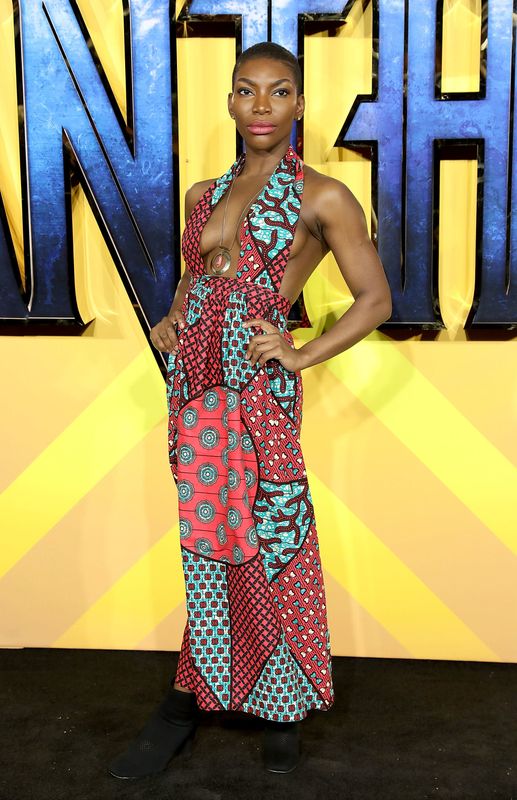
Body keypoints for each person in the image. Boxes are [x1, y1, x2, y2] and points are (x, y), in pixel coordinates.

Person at [108, 41, 391, 780]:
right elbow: (190, 286)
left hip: (256, 391)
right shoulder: (202, 193)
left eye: (278, 91)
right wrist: (170, 322)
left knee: (274, 538)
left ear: (299, 104)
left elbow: (375, 299)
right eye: (245, 90)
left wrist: (298, 353)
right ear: (229, 102)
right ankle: (194, 697)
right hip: (195, 390)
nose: (260, 104)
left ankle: (281, 704)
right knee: (208, 541)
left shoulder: (322, 194)